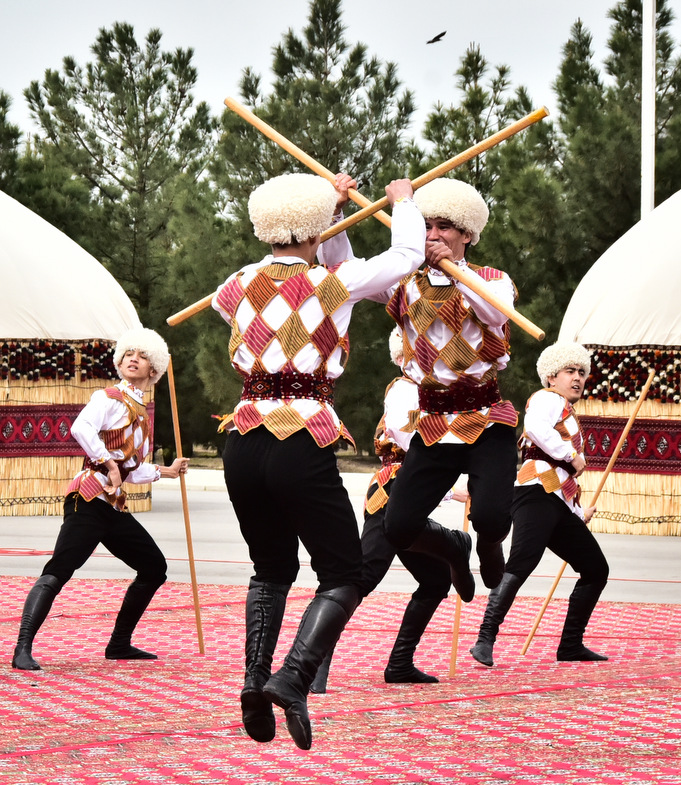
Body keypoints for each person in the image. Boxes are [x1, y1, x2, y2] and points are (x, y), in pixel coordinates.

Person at [212, 171, 423, 750]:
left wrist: (329, 211)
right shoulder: (334, 283)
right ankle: (293, 679)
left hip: (244, 437)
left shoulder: (234, 284)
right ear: (315, 228)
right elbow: (405, 255)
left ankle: (255, 679)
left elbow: (247, 303)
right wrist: (401, 202)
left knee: (271, 568)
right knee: (344, 573)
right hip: (300, 437)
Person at [12, 328, 188, 671]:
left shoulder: (141, 411)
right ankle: (22, 648)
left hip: (113, 506)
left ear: (154, 369)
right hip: (88, 497)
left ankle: (119, 644)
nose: (132, 358)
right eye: (127, 354)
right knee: (60, 569)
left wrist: (168, 471)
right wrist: (107, 460)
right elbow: (81, 429)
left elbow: (132, 470)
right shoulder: (107, 397)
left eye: (141, 355)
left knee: (154, 567)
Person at [311, 328, 472, 692]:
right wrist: (449, 482)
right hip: (393, 489)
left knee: (434, 580)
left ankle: (400, 663)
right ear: (403, 357)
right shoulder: (405, 389)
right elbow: (410, 439)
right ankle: (313, 664)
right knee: (361, 578)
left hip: (411, 491)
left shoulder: (433, 394)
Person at [380, 178, 519, 591]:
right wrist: (335, 215)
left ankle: (488, 542)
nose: (434, 235)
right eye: (427, 225)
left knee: (493, 518)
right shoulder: (404, 282)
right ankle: (453, 547)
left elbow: (496, 316)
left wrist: (455, 272)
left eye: (445, 226)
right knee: (399, 526)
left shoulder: (493, 279)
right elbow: (345, 269)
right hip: (434, 421)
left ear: (468, 234)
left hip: (485, 416)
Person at [470, 341, 610, 667]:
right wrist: (571, 455)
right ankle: (485, 638)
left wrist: (577, 511)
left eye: (581, 373)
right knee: (522, 562)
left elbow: (562, 475)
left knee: (595, 569)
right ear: (551, 377)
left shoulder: (566, 410)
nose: (578, 378)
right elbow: (534, 430)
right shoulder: (546, 398)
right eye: (570, 372)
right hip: (535, 493)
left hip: (557, 502)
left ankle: (571, 644)